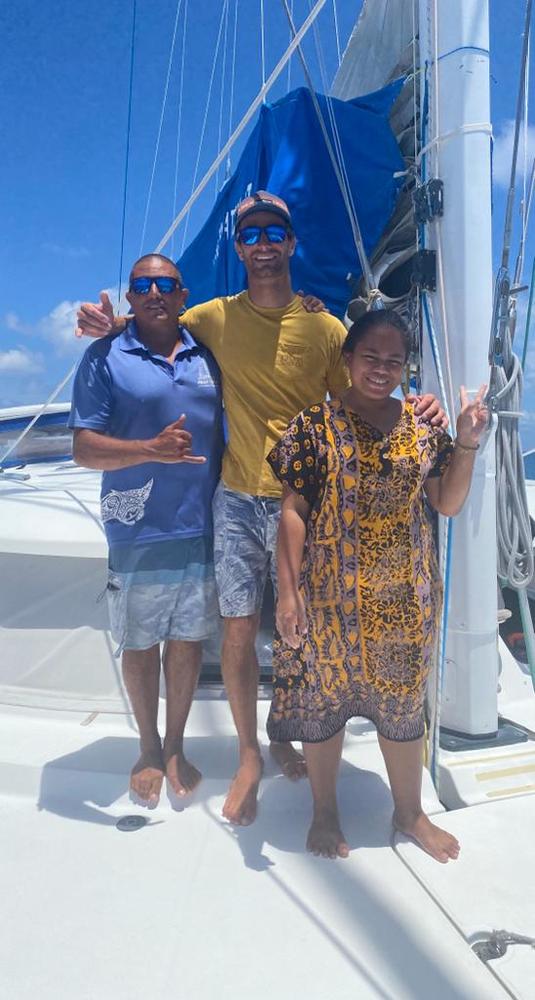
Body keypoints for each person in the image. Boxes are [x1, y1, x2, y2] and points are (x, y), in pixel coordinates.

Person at [76, 191, 446, 826]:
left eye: (275, 232)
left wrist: (419, 405)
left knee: (300, 632)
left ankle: (285, 734)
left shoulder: (325, 328)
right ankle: (249, 752)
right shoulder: (214, 317)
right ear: (239, 247)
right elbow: (156, 324)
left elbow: (366, 392)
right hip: (235, 500)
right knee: (240, 630)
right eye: (251, 235)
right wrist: (112, 328)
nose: (264, 244)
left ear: (291, 243)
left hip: (304, 504)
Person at [267, 309, 488, 861]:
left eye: (394, 361)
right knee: (324, 706)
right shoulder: (313, 425)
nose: (381, 369)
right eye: (370, 357)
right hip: (328, 599)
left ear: (405, 367)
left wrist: (466, 442)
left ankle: (409, 813)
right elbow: (293, 511)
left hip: (405, 601)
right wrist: (289, 592)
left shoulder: (424, 427)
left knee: (403, 709)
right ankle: (325, 811)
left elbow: (447, 503)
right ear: (348, 359)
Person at [70, 253, 224, 806]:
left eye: (165, 284)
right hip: (137, 526)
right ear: (130, 296)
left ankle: (176, 745)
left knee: (186, 640)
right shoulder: (104, 355)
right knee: (140, 642)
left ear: (183, 295)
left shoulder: (209, 352)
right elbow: (83, 448)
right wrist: (150, 450)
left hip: (202, 522)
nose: (154, 292)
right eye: (142, 284)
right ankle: (148, 747)